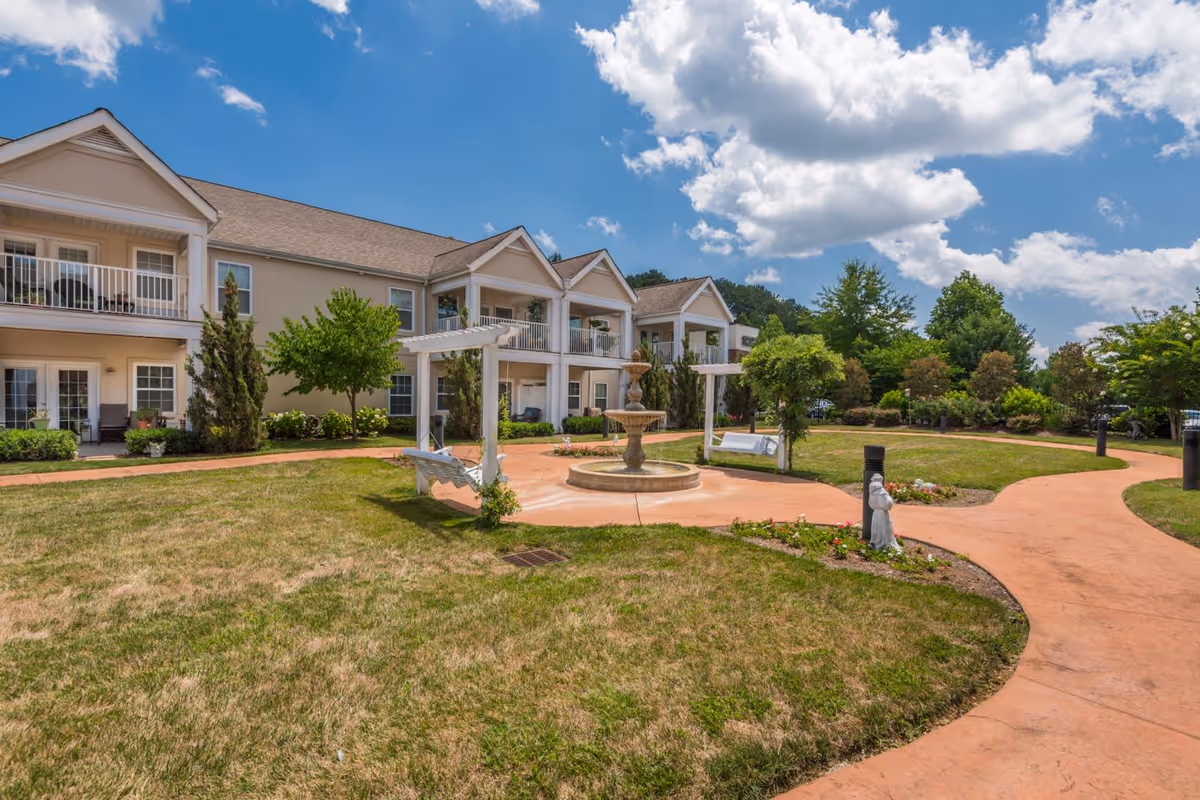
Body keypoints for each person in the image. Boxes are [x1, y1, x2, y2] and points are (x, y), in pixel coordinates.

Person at [868, 474, 902, 553]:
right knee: (885, 528)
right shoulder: (881, 491)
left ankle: (876, 541)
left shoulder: (871, 491)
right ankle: (884, 543)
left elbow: (870, 503)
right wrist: (889, 498)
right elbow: (888, 504)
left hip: (875, 513)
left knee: (876, 528)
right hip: (883, 513)